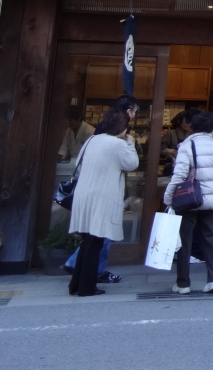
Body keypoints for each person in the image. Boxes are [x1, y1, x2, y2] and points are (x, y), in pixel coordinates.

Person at [67, 107, 138, 297]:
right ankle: (86, 287)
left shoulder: (92, 140)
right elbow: (132, 163)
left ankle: (75, 284)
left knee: (87, 241)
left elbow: (78, 165)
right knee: (95, 243)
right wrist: (130, 142)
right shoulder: (118, 144)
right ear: (122, 128)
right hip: (102, 196)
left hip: (83, 194)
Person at [164, 109, 213, 294]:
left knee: (185, 240)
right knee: (209, 238)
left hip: (189, 199)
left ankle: (183, 283)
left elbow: (179, 175)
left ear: (192, 126)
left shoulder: (186, 145)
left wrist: (168, 197)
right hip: (212, 198)